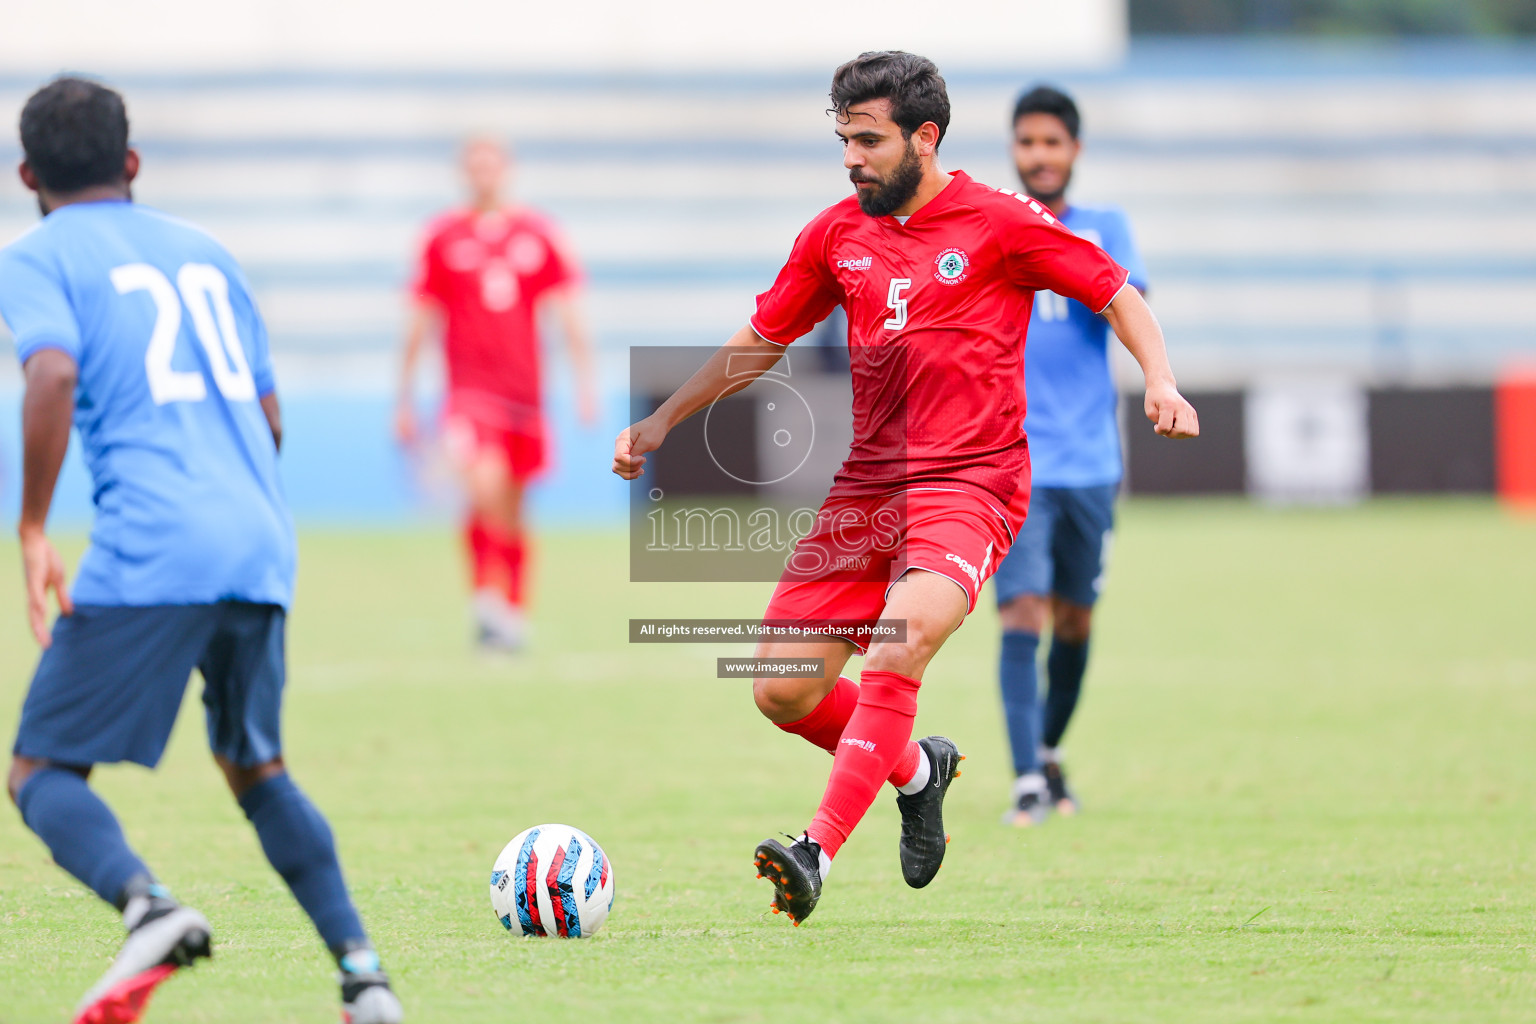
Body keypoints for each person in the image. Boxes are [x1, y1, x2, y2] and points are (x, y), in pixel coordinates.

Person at [612, 52, 1198, 925]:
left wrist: (1160, 379)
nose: (851, 157)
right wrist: (666, 420)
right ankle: (919, 773)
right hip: (866, 492)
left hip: (972, 484)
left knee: (901, 640)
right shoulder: (835, 234)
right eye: (844, 138)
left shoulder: (1001, 223)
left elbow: (1115, 292)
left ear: (925, 137)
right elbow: (761, 339)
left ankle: (813, 850)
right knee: (781, 689)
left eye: (869, 139)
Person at [0, 78, 402, 1024]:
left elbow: (51, 369)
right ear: (131, 164)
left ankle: (149, 910)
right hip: (260, 541)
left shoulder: (36, 257)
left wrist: (30, 525)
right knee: (256, 767)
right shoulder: (208, 253)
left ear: (27, 175)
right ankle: (364, 976)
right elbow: (268, 415)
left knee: (40, 772)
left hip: (154, 544)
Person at [993, 86, 1149, 828]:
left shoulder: (1105, 230)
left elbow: (1124, 304)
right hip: (1016, 461)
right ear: (1014, 152)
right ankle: (1026, 778)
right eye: (1027, 143)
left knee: (1075, 622)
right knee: (1020, 610)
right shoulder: (993, 230)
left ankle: (1047, 750)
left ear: (1074, 151)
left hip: (1091, 461)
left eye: (1052, 143)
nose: (1040, 156)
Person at [395, 137, 598, 651]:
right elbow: (420, 318)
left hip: (526, 394)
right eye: (474, 165)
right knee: (483, 485)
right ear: (464, 173)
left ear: (506, 170)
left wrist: (585, 385)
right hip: (469, 391)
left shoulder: (538, 233)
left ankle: (512, 611)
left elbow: (568, 312)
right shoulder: (442, 236)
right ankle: (485, 598)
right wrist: (403, 397)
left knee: (513, 505)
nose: (484, 173)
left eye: (492, 164)